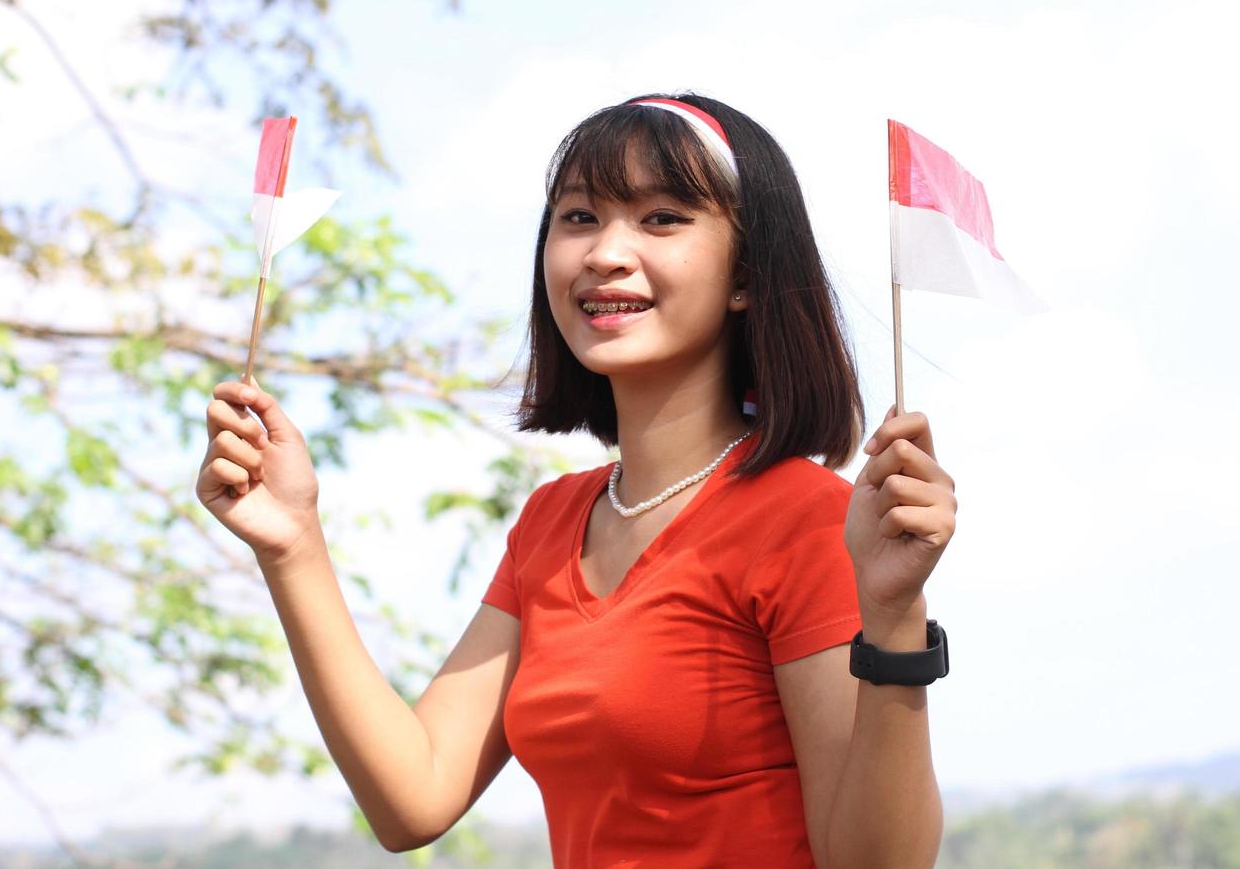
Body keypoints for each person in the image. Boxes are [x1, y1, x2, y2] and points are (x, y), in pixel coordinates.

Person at [197, 92, 957, 867]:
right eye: (580, 218)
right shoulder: (551, 523)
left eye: (662, 218)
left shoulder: (807, 520)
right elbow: (412, 797)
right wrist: (292, 545)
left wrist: (895, 620)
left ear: (747, 275)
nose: (605, 252)